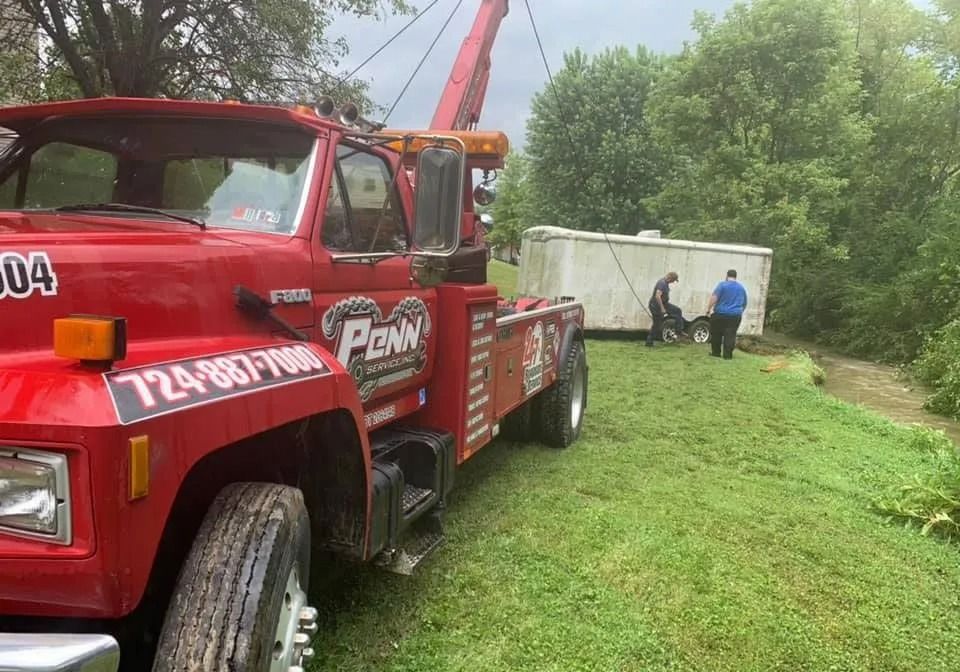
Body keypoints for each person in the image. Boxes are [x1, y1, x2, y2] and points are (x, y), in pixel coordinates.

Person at [707, 269, 748, 359]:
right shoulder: (741, 288)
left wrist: (708, 309)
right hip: (735, 316)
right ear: (735, 277)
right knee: (730, 335)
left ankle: (716, 353)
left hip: (720, 314)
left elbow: (714, 297)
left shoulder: (722, 285)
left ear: (727, 276)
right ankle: (727, 355)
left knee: (716, 334)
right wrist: (739, 312)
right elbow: (744, 303)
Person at [645, 271, 684, 347]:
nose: (673, 282)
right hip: (656, 306)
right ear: (670, 278)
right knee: (657, 324)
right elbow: (657, 296)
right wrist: (662, 308)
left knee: (677, 311)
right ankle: (649, 342)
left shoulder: (665, 283)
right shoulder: (662, 283)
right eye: (673, 280)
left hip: (664, 304)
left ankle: (678, 331)